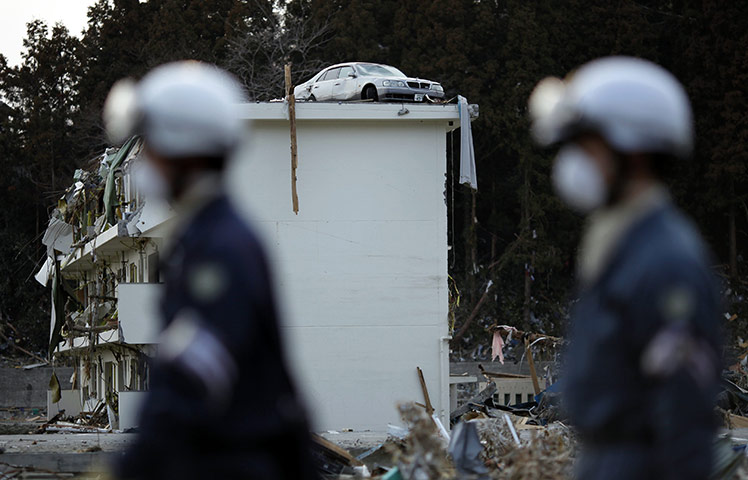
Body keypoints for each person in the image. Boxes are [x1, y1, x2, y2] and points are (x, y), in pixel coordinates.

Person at [103, 62, 316, 479]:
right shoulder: (205, 235)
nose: (145, 158)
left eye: (151, 144)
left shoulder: (220, 248)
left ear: (186, 151)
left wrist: (131, 468)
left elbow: (190, 380)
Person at [528, 57, 722, 479]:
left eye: (584, 144)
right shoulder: (622, 248)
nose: (572, 162)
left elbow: (684, 426)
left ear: (631, 149)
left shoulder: (665, 264)